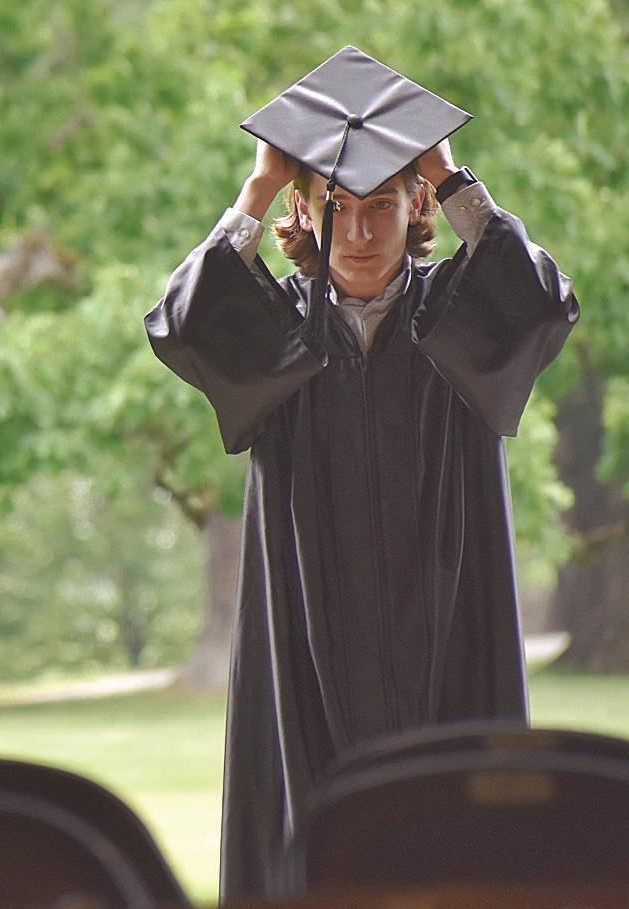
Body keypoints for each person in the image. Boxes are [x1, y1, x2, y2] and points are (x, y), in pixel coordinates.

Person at [145, 48, 578, 900]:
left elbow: (540, 302)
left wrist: (450, 176)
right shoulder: (278, 337)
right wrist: (260, 185)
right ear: (309, 213)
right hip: (312, 650)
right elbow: (182, 322)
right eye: (338, 207)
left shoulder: (456, 324)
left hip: (447, 642)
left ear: (414, 206)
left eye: (383, 205)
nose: (360, 232)